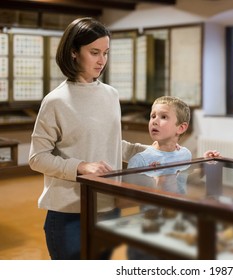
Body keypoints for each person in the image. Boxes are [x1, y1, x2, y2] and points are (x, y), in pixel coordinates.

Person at [28, 17, 148, 260]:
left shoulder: (111, 95)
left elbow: (111, 142)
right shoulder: (56, 101)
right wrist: (81, 166)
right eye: (94, 52)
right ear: (74, 52)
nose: (102, 60)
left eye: (105, 52)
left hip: (108, 207)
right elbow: (37, 158)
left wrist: (155, 151)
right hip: (69, 212)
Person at [124, 96, 220, 259]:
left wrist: (204, 166)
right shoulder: (140, 160)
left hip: (177, 222)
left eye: (163, 117)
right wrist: (156, 185)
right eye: (152, 116)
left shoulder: (184, 153)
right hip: (150, 227)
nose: (154, 121)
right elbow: (126, 201)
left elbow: (184, 180)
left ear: (181, 128)